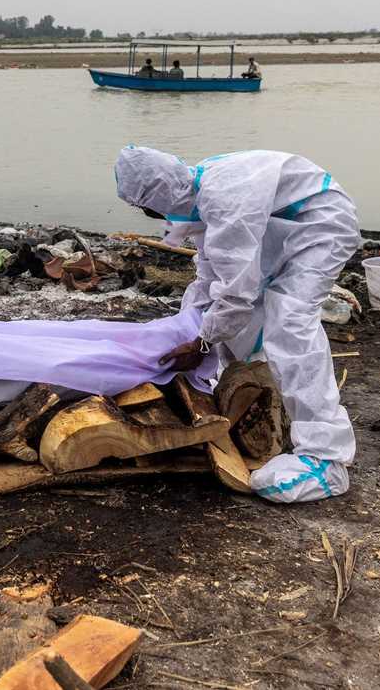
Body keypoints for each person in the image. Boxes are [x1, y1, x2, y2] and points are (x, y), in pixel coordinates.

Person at [115, 146, 360, 503]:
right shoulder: (199, 195)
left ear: (157, 194)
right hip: (284, 223)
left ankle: (327, 457)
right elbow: (210, 276)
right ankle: (251, 389)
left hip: (320, 223)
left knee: (289, 318)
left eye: (143, 205)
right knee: (248, 311)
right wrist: (189, 328)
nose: (148, 214)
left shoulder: (224, 197)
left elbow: (235, 295)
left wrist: (200, 344)